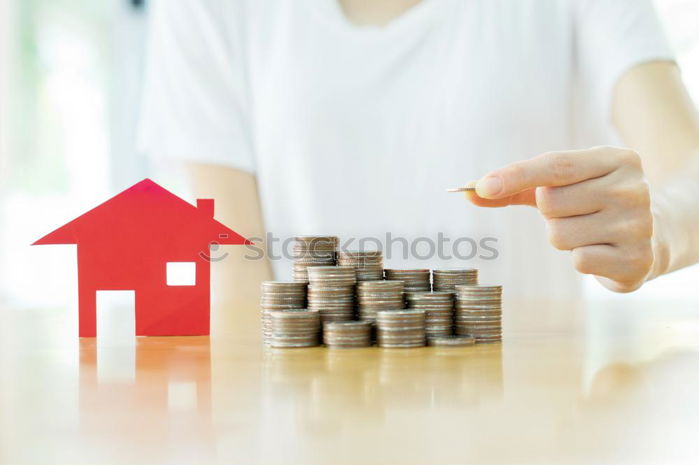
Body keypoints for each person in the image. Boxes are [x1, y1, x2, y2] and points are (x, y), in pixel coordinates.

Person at [139, 0, 699, 305]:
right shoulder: (205, 9)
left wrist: (659, 231)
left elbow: (689, 172)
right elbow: (235, 269)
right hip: (313, 435)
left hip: (530, 431)